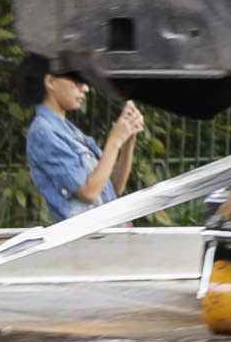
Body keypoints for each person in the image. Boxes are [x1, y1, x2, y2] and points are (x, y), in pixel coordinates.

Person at [17, 53, 143, 221]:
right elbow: (89, 192)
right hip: (85, 243)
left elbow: (113, 187)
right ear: (50, 82)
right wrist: (114, 141)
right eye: (77, 81)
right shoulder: (43, 132)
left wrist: (128, 139)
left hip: (107, 236)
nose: (85, 88)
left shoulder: (68, 131)